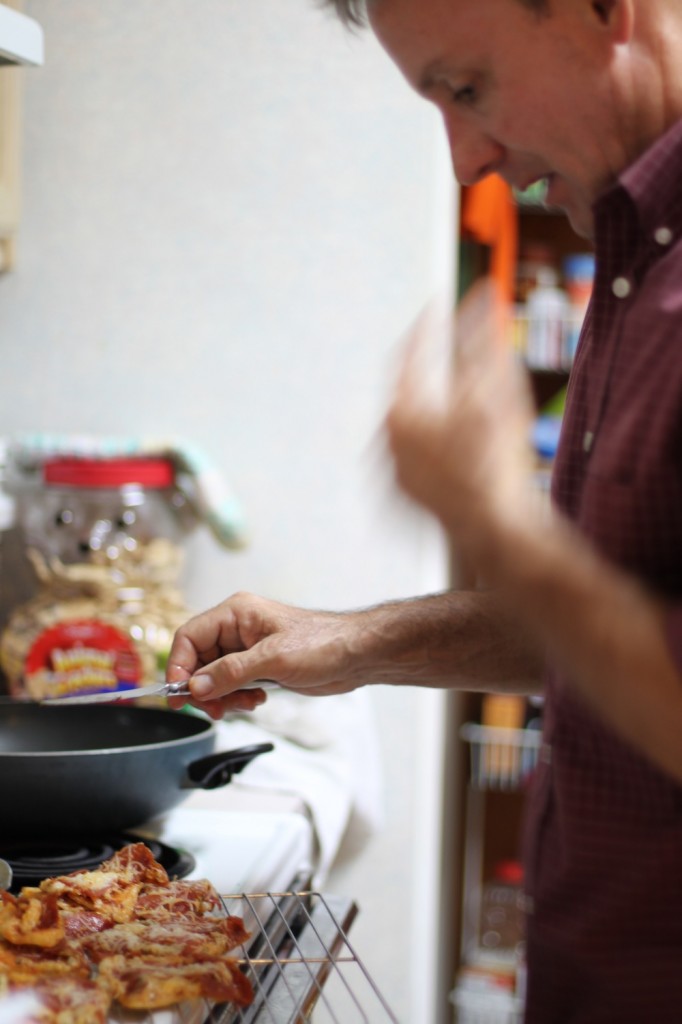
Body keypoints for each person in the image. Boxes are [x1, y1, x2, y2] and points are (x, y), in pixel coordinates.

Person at [167, 0, 682, 1018]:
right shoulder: (633, 252)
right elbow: (613, 626)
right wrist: (348, 642)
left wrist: (499, 524)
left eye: (466, 87)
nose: (465, 160)